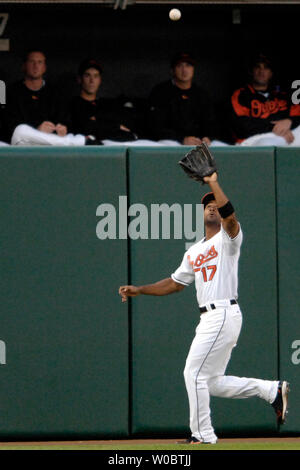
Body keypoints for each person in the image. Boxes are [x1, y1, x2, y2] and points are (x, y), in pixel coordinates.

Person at [118, 165, 289, 444]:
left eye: (214, 204)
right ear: (201, 213)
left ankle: (202, 434)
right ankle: (270, 390)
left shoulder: (228, 240)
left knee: (192, 373)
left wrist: (213, 183)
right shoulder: (194, 250)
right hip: (210, 318)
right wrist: (141, 289)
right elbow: (175, 283)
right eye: (207, 205)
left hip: (222, 311)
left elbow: (230, 218)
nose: (211, 207)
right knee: (208, 381)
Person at [4, 50, 95, 146]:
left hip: (51, 144)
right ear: (24, 66)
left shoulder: (55, 92)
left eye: (40, 62)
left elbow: (65, 120)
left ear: (44, 67)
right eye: (32, 62)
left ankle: (75, 141)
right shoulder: (11, 91)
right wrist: (37, 130)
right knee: (20, 129)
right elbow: (8, 126)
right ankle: (79, 141)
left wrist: (62, 128)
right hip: (23, 145)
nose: (36, 66)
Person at [69, 58, 162, 147]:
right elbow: (85, 126)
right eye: (87, 75)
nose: (92, 81)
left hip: (120, 143)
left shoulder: (106, 103)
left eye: (96, 76)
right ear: (79, 79)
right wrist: (114, 126)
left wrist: (100, 120)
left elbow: (123, 123)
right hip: (96, 148)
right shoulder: (74, 103)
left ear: (100, 80)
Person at [147, 52, 224, 146]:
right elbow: (155, 126)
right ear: (172, 70)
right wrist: (182, 139)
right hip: (172, 141)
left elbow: (211, 123)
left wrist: (208, 137)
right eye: (179, 66)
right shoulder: (161, 92)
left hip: (198, 141)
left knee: (220, 147)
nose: (184, 70)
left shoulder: (201, 94)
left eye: (188, 66)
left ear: (193, 69)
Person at [231, 54, 300, 146]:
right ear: (252, 71)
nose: (261, 71)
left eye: (266, 68)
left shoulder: (282, 96)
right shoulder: (241, 95)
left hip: (285, 136)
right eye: (257, 67)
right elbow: (241, 125)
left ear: (271, 73)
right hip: (253, 140)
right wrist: (273, 127)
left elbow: (297, 115)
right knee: (268, 144)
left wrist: (290, 121)